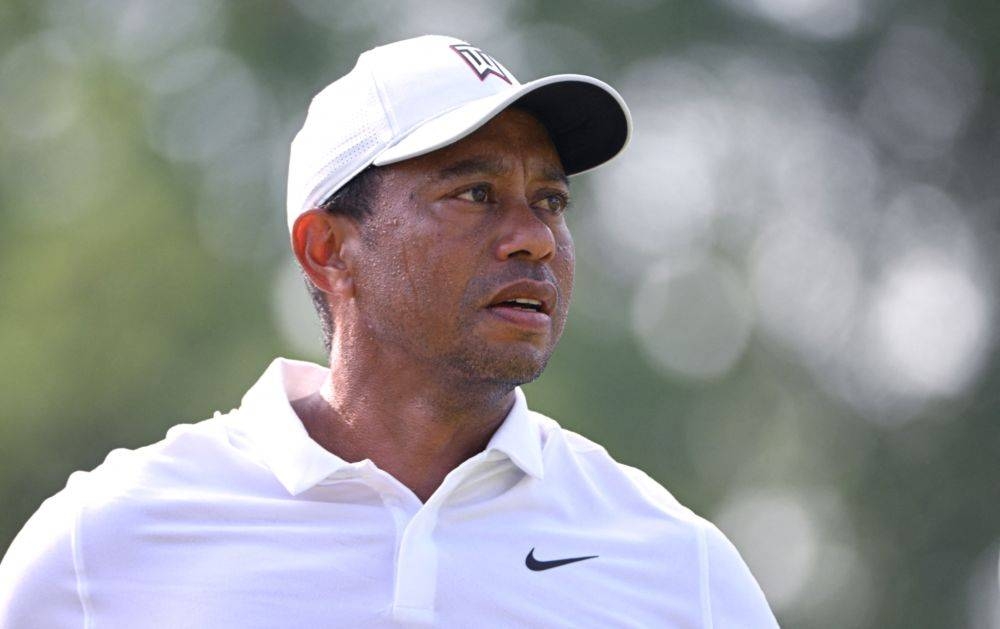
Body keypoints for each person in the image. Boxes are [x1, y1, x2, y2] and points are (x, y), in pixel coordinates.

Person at [0, 35, 777, 627]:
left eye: (549, 201)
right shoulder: (100, 547)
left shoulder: (681, 571)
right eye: (475, 192)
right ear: (328, 249)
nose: (534, 238)